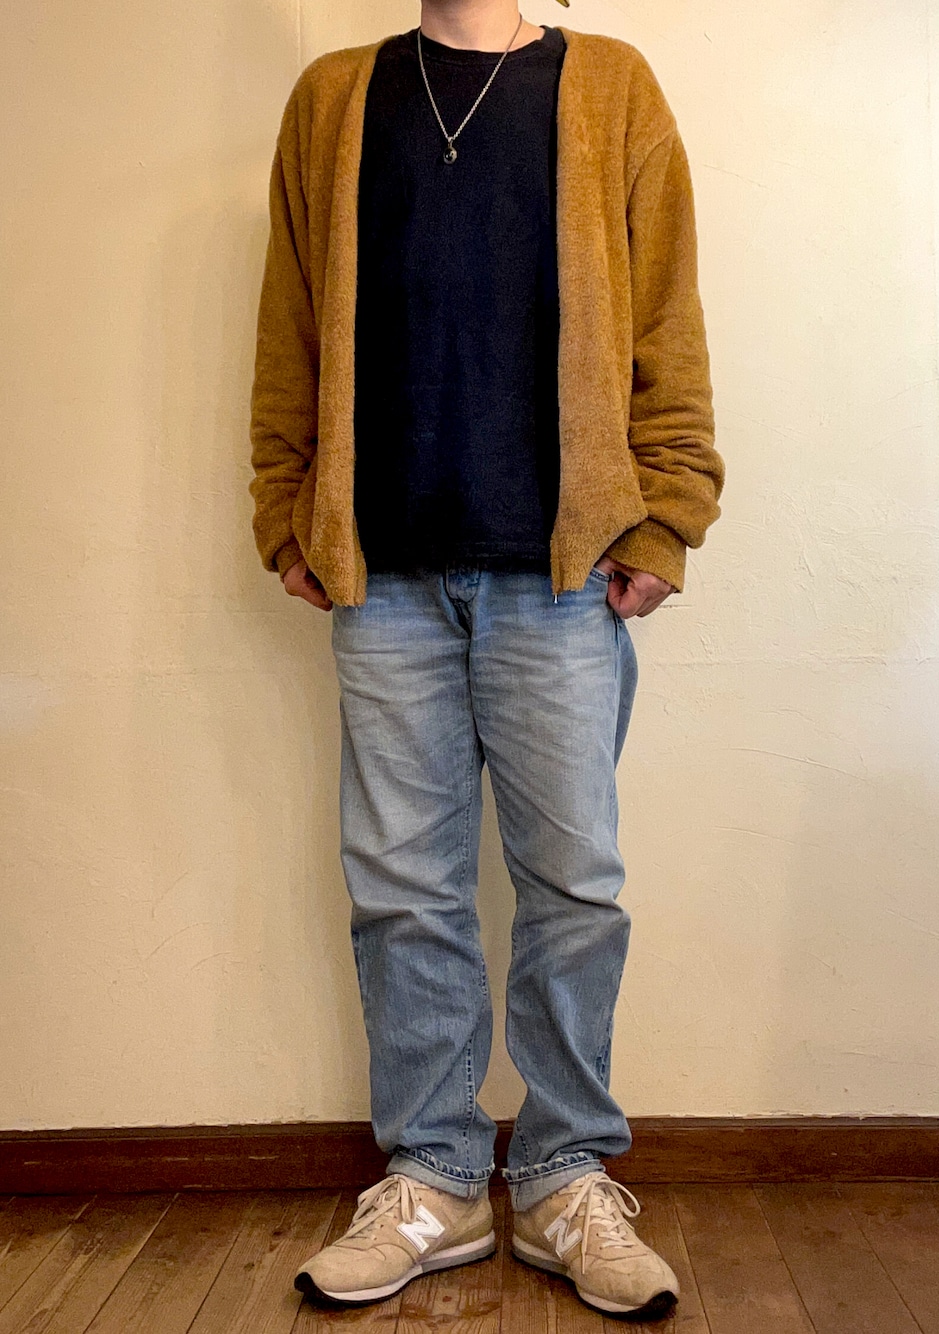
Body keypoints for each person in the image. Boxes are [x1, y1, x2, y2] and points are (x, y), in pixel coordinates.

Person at [248, 0, 724, 1320]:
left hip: (563, 575)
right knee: (403, 888)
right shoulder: (336, 100)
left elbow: (667, 318)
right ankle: (438, 1178)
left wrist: (667, 515)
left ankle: (567, 1175)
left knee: (574, 883)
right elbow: (290, 321)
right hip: (382, 576)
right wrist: (286, 508)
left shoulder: (611, 87)